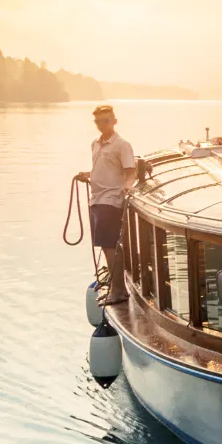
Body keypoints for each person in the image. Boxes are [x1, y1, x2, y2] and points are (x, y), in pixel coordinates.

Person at [77, 105, 136, 306]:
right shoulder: (95, 143)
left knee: (110, 246)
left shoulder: (122, 145)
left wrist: (127, 187)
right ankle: (116, 287)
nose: (102, 125)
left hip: (111, 200)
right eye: (98, 121)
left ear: (114, 121)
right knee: (106, 245)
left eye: (106, 120)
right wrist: (89, 175)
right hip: (96, 199)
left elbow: (131, 172)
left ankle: (119, 291)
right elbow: (103, 169)